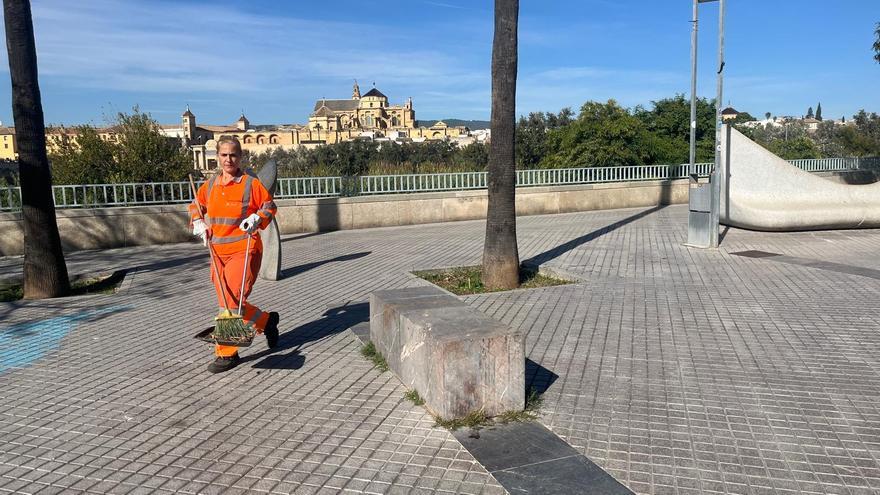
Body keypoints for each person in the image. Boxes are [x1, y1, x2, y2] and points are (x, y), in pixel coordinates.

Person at [189, 137, 279, 373]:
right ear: (217, 157)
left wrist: (257, 218)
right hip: (218, 252)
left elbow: (269, 206)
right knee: (228, 301)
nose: (229, 159)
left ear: (240, 157)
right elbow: (195, 206)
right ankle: (266, 321)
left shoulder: (250, 184)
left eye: (233, 155)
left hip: (244, 249)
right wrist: (198, 221)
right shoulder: (209, 186)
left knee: (230, 303)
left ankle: (227, 353)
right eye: (224, 155)